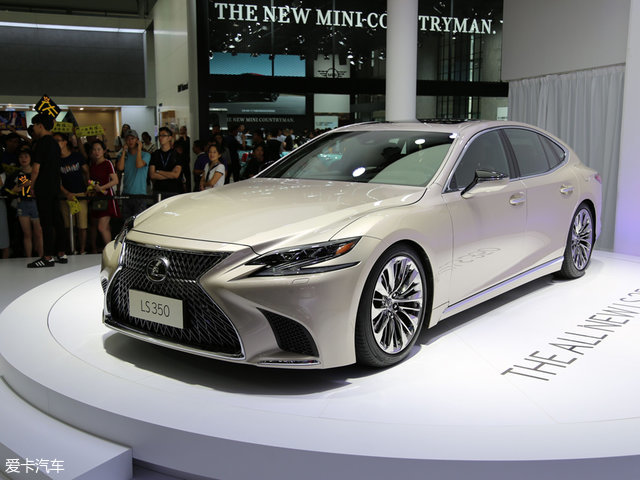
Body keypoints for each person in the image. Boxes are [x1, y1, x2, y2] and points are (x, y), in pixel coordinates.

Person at [27, 113, 67, 268]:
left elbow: (35, 169)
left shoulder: (41, 143)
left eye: (35, 125)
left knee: (46, 222)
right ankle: (61, 253)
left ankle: (48, 256)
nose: (34, 129)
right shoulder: (55, 144)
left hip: (43, 187)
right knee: (57, 219)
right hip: (55, 186)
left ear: (40, 126)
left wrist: (31, 186)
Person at [54, 132, 89, 255]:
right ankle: (72, 249)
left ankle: (82, 249)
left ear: (65, 142)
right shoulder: (55, 160)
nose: (56, 143)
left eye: (58, 140)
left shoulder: (77, 156)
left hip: (80, 194)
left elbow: (86, 172)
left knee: (82, 224)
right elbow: (56, 180)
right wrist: (66, 193)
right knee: (68, 226)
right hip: (65, 197)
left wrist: (88, 188)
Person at [5, 148, 43, 258]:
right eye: (21, 157)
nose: (23, 159)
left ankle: (41, 256)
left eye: (26, 156)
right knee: (27, 234)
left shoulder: (37, 171)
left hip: (36, 203)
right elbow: (11, 189)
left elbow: (42, 186)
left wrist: (30, 183)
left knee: (38, 232)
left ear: (31, 158)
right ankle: (28, 257)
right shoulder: (17, 173)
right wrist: (20, 187)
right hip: (22, 204)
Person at [88, 140, 119, 253]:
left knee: (102, 227)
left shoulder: (107, 163)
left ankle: (110, 252)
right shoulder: (93, 165)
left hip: (107, 197)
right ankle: (105, 249)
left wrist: (102, 188)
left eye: (99, 149)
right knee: (102, 226)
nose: (96, 152)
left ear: (104, 151)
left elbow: (115, 180)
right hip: (97, 198)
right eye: (94, 150)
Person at [116, 129, 150, 218]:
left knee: (138, 221)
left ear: (137, 140)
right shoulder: (124, 156)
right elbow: (120, 168)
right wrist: (123, 151)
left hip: (140, 194)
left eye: (132, 138)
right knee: (126, 221)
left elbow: (139, 164)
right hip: (126, 193)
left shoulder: (145, 155)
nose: (130, 141)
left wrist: (139, 149)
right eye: (128, 139)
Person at [149, 126, 182, 199]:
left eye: (163, 135)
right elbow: (152, 175)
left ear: (169, 138)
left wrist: (158, 171)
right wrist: (170, 175)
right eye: (159, 136)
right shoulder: (155, 154)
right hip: (158, 190)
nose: (160, 138)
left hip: (173, 190)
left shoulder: (176, 154)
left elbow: (175, 175)